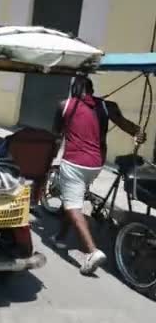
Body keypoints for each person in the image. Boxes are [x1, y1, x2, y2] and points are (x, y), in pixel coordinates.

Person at [52, 76, 147, 276]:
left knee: (72, 205)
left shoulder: (64, 105)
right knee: (73, 197)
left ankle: (92, 251)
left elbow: (56, 136)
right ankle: (60, 237)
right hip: (96, 165)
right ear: (91, 89)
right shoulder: (107, 106)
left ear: (75, 88)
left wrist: (49, 159)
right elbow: (131, 128)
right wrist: (139, 133)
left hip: (74, 162)